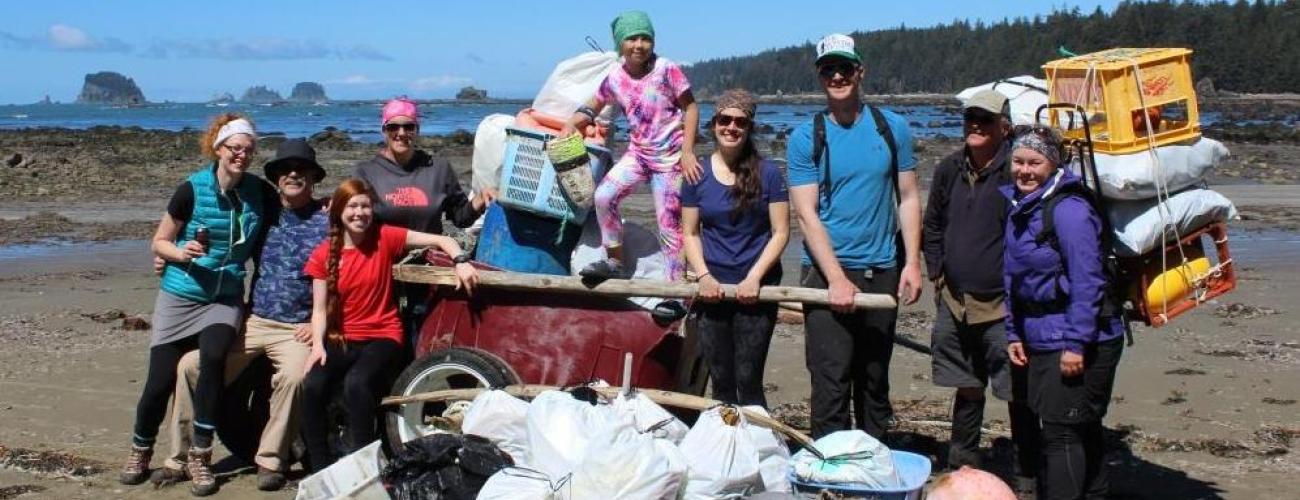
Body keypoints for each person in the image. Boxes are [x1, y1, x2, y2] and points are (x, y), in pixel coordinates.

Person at [151, 139, 328, 491]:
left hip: (297, 328)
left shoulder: (328, 220)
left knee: (294, 378)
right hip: (255, 319)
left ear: (312, 179)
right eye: (286, 170)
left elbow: (343, 273)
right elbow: (215, 243)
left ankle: (270, 460)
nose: (293, 175)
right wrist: (166, 256)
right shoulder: (263, 213)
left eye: (302, 171)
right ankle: (180, 458)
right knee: (190, 367)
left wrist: (317, 322)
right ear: (276, 179)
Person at [121, 114, 274, 497]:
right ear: (218, 149)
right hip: (181, 296)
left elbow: (292, 209)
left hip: (224, 299)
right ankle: (140, 450)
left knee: (211, 361)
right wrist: (178, 253)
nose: (241, 155)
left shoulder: (259, 192)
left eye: (248, 149)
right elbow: (159, 241)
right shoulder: (191, 189)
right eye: (234, 148)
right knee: (158, 384)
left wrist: (327, 209)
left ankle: (200, 457)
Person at [785, 34, 923, 439]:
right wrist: (836, 278)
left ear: (860, 72)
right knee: (830, 382)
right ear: (820, 76)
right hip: (826, 272)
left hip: (882, 268)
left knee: (874, 379)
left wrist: (912, 263)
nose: (838, 76)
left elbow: (910, 197)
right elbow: (806, 215)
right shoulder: (805, 136)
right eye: (829, 69)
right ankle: (831, 469)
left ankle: (875, 462)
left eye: (846, 68)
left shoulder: (891, 127)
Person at [300, 178, 480, 472]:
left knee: (356, 384)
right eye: (352, 206)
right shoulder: (323, 254)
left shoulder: (385, 237)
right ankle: (320, 470)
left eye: (365, 206)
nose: (360, 213)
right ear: (339, 212)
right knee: (313, 386)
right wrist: (317, 347)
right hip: (343, 338)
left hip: (383, 335)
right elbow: (319, 311)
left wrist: (460, 260)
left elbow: (440, 239)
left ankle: (366, 467)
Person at [923, 90, 1039, 487]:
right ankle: (962, 467)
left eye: (984, 119)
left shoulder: (1017, 172)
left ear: (1004, 127)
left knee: (1017, 395)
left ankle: (1026, 479)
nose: (975, 125)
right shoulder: (949, 169)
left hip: (1003, 308)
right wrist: (936, 271)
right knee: (967, 386)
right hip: (955, 302)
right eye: (970, 117)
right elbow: (933, 223)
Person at [1002, 126, 1125, 499]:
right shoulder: (1022, 206)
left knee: (1062, 434)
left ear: (1053, 164)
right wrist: (1013, 330)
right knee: (1079, 428)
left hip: (1081, 339)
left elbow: (1087, 281)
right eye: (1018, 161)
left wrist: (1076, 344)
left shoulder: (1069, 211)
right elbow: (1012, 274)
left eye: (1034, 162)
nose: (1024, 170)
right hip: (1041, 332)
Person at [562, 10, 701, 284]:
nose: (638, 45)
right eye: (631, 39)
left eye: (644, 38)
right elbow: (594, 104)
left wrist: (687, 151)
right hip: (638, 155)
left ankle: (676, 291)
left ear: (652, 41)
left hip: (669, 160)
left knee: (668, 227)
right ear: (620, 45)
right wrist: (572, 123)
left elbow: (692, 107)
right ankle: (615, 261)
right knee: (603, 197)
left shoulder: (666, 69)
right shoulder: (615, 78)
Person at [352, 97, 496, 338]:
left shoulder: (437, 169)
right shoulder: (366, 171)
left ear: (417, 129)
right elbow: (354, 219)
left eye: (409, 126)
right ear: (384, 130)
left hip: (429, 270)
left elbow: (460, 217)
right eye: (393, 127)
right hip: (384, 271)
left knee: (424, 337)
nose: (401, 133)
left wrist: (480, 199)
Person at [681, 89, 789, 407]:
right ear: (713, 124)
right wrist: (703, 276)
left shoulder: (768, 173)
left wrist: (754, 278)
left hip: (757, 287)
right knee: (722, 381)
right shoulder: (695, 175)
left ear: (749, 127)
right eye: (725, 120)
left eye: (740, 122)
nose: (732, 127)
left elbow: (781, 232)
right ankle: (726, 448)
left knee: (748, 379)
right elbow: (690, 232)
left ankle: (758, 448)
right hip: (712, 288)